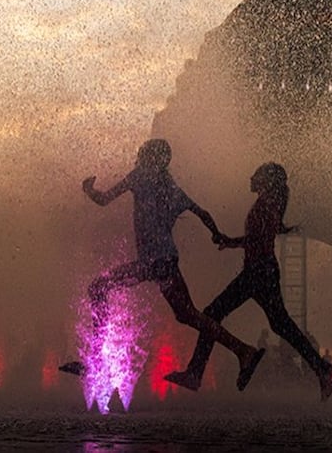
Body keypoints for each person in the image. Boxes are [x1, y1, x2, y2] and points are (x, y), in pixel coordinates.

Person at [62, 139, 264, 390]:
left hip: (154, 262)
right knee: (187, 314)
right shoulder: (172, 187)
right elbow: (201, 212)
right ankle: (243, 351)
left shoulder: (139, 176)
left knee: (99, 288)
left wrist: (88, 189)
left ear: (147, 156)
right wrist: (217, 235)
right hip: (167, 260)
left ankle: (95, 361)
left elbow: (103, 199)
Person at [165, 162, 332, 401]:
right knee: (281, 325)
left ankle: (196, 372)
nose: (251, 177)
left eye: (257, 174)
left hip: (258, 272)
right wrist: (232, 242)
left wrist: (233, 242)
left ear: (266, 181)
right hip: (263, 271)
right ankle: (322, 369)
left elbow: (259, 238)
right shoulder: (270, 204)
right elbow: (262, 236)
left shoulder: (266, 204)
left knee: (212, 313)